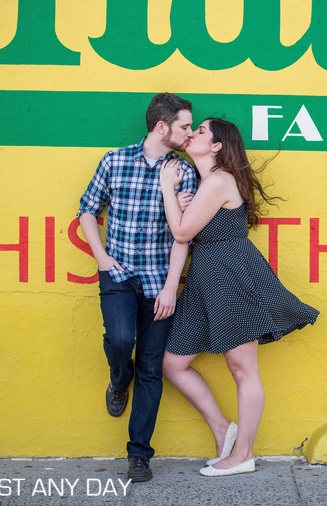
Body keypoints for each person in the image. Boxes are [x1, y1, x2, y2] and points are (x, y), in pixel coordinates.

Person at [158, 118, 319, 477]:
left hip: (232, 277)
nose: (192, 134)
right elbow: (187, 230)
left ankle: (243, 454)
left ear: (216, 146)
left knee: (243, 369)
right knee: (173, 363)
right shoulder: (205, 184)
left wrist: (168, 189)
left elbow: (182, 232)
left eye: (200, 131)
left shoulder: (217, 181)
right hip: (204, 281)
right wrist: (182, 200)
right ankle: (222, 429)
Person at [77, 92, 198, 482]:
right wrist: (100, 257)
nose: (189, 132)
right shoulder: (114, 161)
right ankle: (118, 376)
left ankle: (139, 455)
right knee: (119, 340)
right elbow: (87, 210)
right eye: (184, 126)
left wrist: (169, 288)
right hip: (119, 273)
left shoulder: (183, 171)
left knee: (151, 367)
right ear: (162, 127)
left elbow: (184, 236)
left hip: (159, 283)